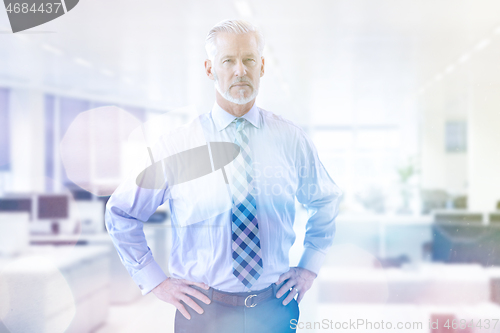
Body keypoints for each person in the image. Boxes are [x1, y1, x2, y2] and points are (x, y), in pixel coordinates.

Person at [105, 19, 343, 333]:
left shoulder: (290, 139)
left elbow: (325, 200)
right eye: (228, 61)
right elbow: (121, 212)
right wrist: (155, 281)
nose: (240, 71)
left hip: (275, 310)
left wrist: (309, 268)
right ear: (209, 69)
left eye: (248, 60)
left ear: (262, 66)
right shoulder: (177, 146)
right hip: (203, 312)